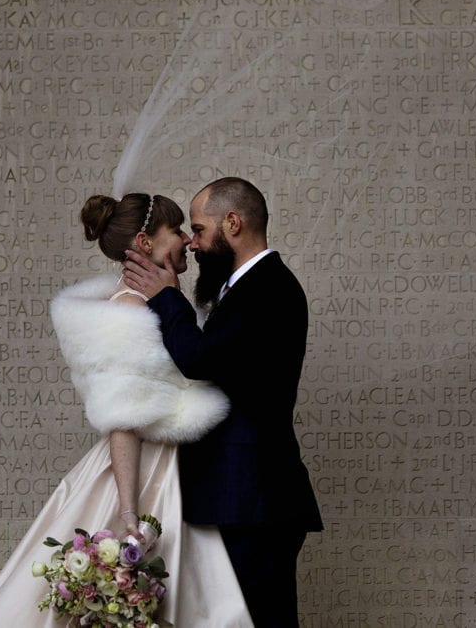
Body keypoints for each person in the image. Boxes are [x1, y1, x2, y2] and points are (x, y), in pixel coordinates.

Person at [0, 192, 254, 627]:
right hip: (143, 475)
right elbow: (123, 418)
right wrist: (127, 513)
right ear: (143, 242)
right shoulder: (128, 309)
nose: (186, 242)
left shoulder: (157, 301)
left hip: (181, 468)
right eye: (176, 231)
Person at [122, 176, 324, 627]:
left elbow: (200, 360)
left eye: (198, 229)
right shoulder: (243, 289)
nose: (191, 244)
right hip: (242, 497)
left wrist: (167, 297)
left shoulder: (268, 288)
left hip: (255, 499)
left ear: (232, 223)